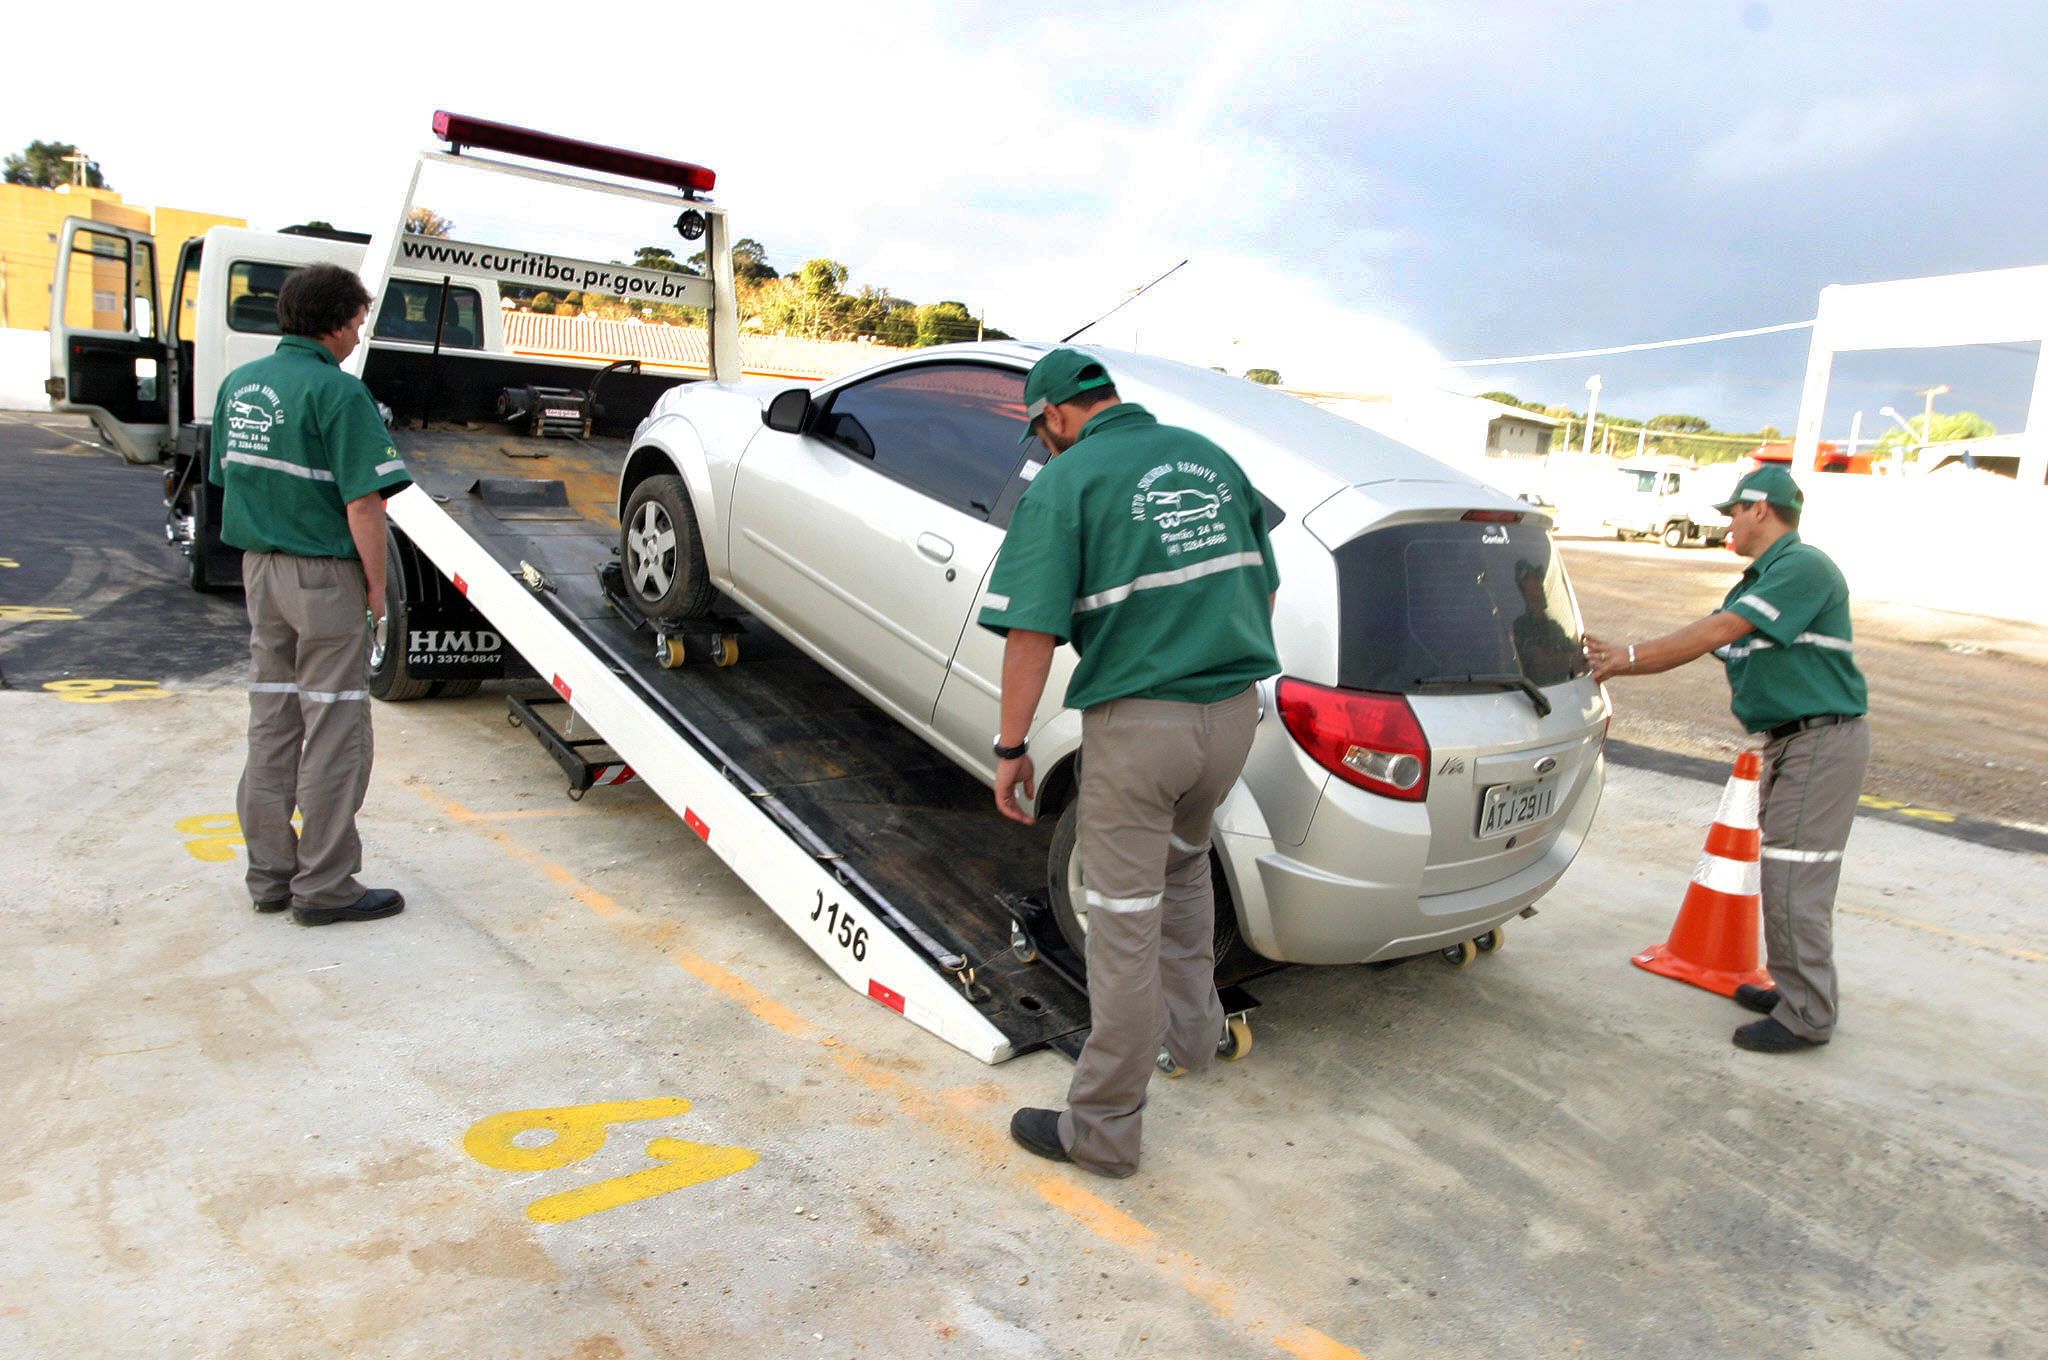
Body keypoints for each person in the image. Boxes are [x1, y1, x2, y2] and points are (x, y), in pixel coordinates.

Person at [978, 348, 1281, 1176]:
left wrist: (1011, 748)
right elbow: (1265, 586)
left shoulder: (1068, 485)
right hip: (1231, 716)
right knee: (1185, 875)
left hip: (1141, 728)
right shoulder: (1209, 459)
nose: (1044, 449)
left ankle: (1103, 1130)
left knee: (1119, 925)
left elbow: (1032, 633)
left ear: (1060, 414)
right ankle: (1195, 1038)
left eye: (1042, 434)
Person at [1585, 464, 1869, 1053]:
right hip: (1794, 742)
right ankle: (1795, 990)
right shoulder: (1760, 579)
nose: (1728, 524)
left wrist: (1626, 656)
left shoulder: (1802, 568)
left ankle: (1807, 1017)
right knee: (1785, 876)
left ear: (1761, 509)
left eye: (1734, 512)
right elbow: (1711, 643)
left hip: (1820, 742)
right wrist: (1621, 660)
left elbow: (1717, 631)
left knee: (1795, 882)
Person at [210, 263, 413, 926]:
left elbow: (229, 477)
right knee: (335, 727)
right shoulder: (338, 393)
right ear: (332, 323)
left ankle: (269, 874)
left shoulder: (239, 386)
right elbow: (364, 503)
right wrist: (377, 588)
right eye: (355, 323)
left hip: (260, 572)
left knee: (272, 720)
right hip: (323, 577)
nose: (357, 336)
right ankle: (324, 884)